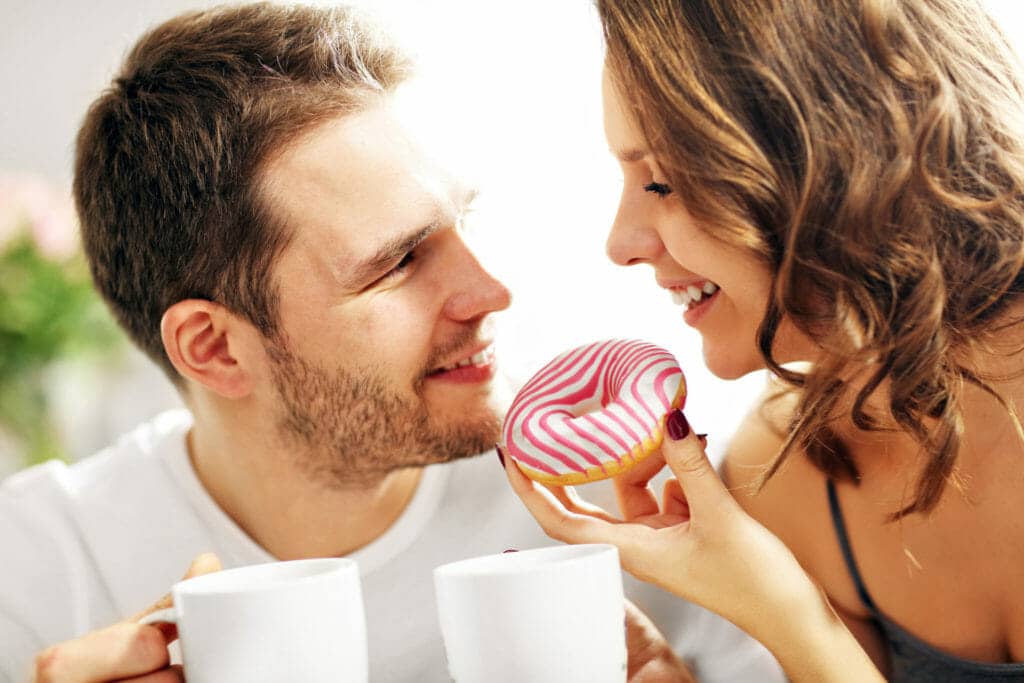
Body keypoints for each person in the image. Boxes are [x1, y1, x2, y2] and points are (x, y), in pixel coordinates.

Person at [0, 3, 788, 682]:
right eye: (399, 261)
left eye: (462, 222)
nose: (490, 292)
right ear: (214, 348)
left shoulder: (624, 499)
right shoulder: (36, 569)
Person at [503, 0, 1024, 681]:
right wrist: (749, 621)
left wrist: (783, 610)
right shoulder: (786, 466)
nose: (619, 243)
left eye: (661, 180)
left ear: (837, 158)